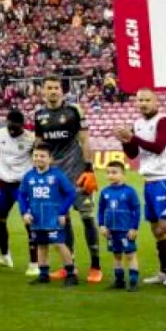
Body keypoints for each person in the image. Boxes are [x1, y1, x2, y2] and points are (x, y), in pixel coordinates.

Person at [32, 76, 102, 283]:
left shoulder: (74, 111)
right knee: (63, 220)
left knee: (87, 217)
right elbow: (39, 144)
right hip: (55, 177)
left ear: (61, 91)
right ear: (43, 91)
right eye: (49, 88)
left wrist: (89, 169)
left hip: (77, 174)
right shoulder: (39, 115)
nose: (53, 91)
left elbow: (85, 140)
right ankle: (69, 265)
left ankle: (95, 266)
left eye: (56, 88)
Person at [115, 88, 166, 287]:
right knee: (156, 229)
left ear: (156, 102)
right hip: (149, 180)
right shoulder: (137, 124)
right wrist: (125, 140)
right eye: (140, 100)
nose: (143, 103)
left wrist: (133, 137)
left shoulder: (164, 121)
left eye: (147, 100)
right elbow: (132, 154)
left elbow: (159, 146)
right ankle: (165, 271)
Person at [20, 143, 80, 287]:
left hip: (53, 218)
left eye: (42, 156)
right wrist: (25, 212)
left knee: (60, 244)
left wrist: (62, 212)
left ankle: (71, 274)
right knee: (41, 245)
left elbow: (71, 193)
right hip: (36, 218)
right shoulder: (29, 176)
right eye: (35, 156)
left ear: (50, 159)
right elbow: (21, 195)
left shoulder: (57, 175)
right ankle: (43, 275)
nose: (38, 159)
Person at [0, 109, 34, 270]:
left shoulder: (31, 138)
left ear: (23, 125)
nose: (12, 130)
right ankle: (4, 256)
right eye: (10, 127)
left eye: (16, 127)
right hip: (2, 182)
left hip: (22, 185)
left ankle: (34, 263)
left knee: (29, 221)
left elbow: (37, 159)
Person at [97, 161, 143, 291]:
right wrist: (101, 225)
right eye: (108, 172)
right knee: (116, 255)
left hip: (125, 230)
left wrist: (134, 227)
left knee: (130, 255)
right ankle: (119, 280)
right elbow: (100, 210)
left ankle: (133, 281)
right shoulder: (105, 192)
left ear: (123, 174)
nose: (111, 175)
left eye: (114, 172)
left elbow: (136, 211)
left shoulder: (129, 192)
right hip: (111, 230)